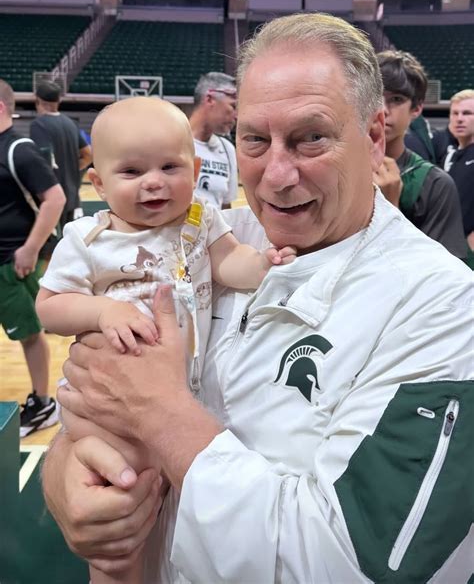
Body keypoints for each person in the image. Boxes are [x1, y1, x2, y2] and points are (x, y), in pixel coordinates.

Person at [42, 14, 473, 584]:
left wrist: (158, 413)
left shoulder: (442, 306)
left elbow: (353, 566)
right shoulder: (210, 240)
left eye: (310, 137)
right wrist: (67, 482)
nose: (276, 175)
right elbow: (93, 404)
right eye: (254, 140)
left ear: (373, 138)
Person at [36, 96, 295, 584]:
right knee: (119, 523)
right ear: (98, 184)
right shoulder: (88, 240)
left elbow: (228, 262)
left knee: (171, 505)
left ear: (194, 171)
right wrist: (103, 310)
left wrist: (262, 264)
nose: (153, 182)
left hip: (176, 398)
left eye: (169, 167)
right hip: (109, 408)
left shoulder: (199, 219)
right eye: (132, 171)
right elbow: (50, 307)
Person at [0, 79, 65, 437]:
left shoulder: (18, 149)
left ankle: (42, 403)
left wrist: (29, 248)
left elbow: (54, 199)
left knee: (28, 332)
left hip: (10, 265)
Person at [374, 50, 467, 259]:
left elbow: (444, 271)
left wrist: (389, 212)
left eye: (396, 99)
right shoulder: (333, 168)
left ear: (416, 109)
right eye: (374, 96)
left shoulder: (435, 184)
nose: (382, 109)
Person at [31, 80, 92, 232]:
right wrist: (72, 169)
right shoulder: (71, 124)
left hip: (51, 196)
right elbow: (88, 155)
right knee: (67, 241)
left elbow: (44, 160)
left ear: (37, 100)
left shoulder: (39, 125)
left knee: (49, 242)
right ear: (59, 101)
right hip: (72, 195)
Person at [188, 72, 238, 209]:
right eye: (233, 106)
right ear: (210, 99)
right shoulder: (172, 142)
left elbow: (226, 207)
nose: (236, 116)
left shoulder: (227, 149)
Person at [445, 89, 474, 252]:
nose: (459, 119)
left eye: (467, 113)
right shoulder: (450, 156)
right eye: (455, 113)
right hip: (448, 247)